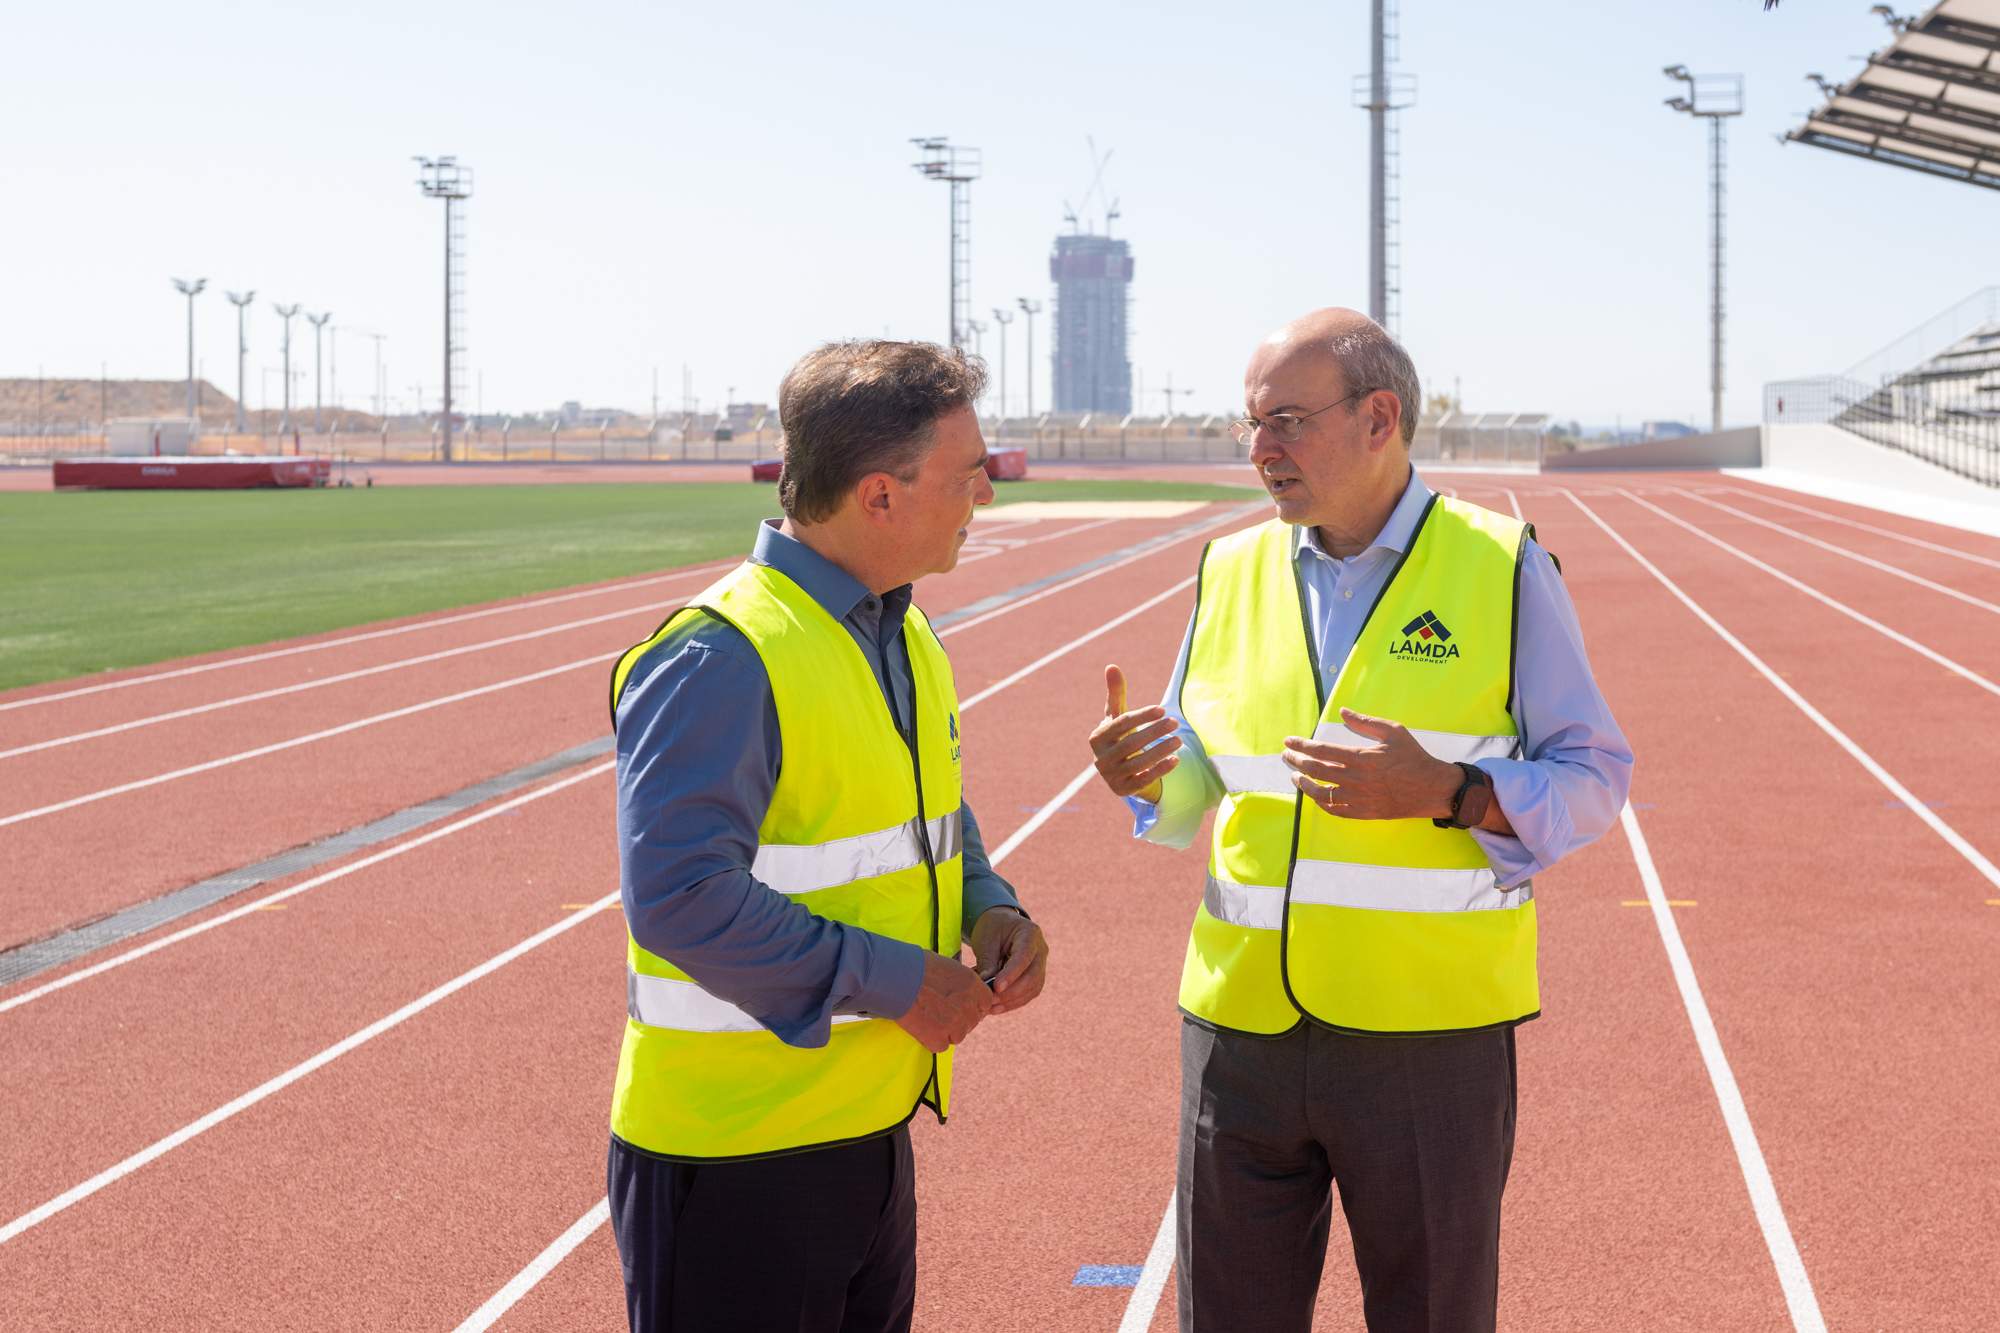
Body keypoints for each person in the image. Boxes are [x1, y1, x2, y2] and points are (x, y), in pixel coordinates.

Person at [1088, 309, 1632, 1333]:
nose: (1260, 448)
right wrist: (1148, 777)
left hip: (1427, 1038)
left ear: (1379, 417)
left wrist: (1453, 792)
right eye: (1250, 423)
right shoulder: (1228, 569)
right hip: (1239, 1031)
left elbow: (1594, 774)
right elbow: (1204, 774)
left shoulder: (1500, 565)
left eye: (1286, 421)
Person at [606, 340, 1049, 1333]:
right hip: (736, 1161)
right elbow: (680, 898)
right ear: (879, 495)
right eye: (967, 473)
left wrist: (988, 904)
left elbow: (928, 810)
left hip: (866, 1130)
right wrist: (900, 981)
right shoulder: (721, 654)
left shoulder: (899, 630)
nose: (985, 494)